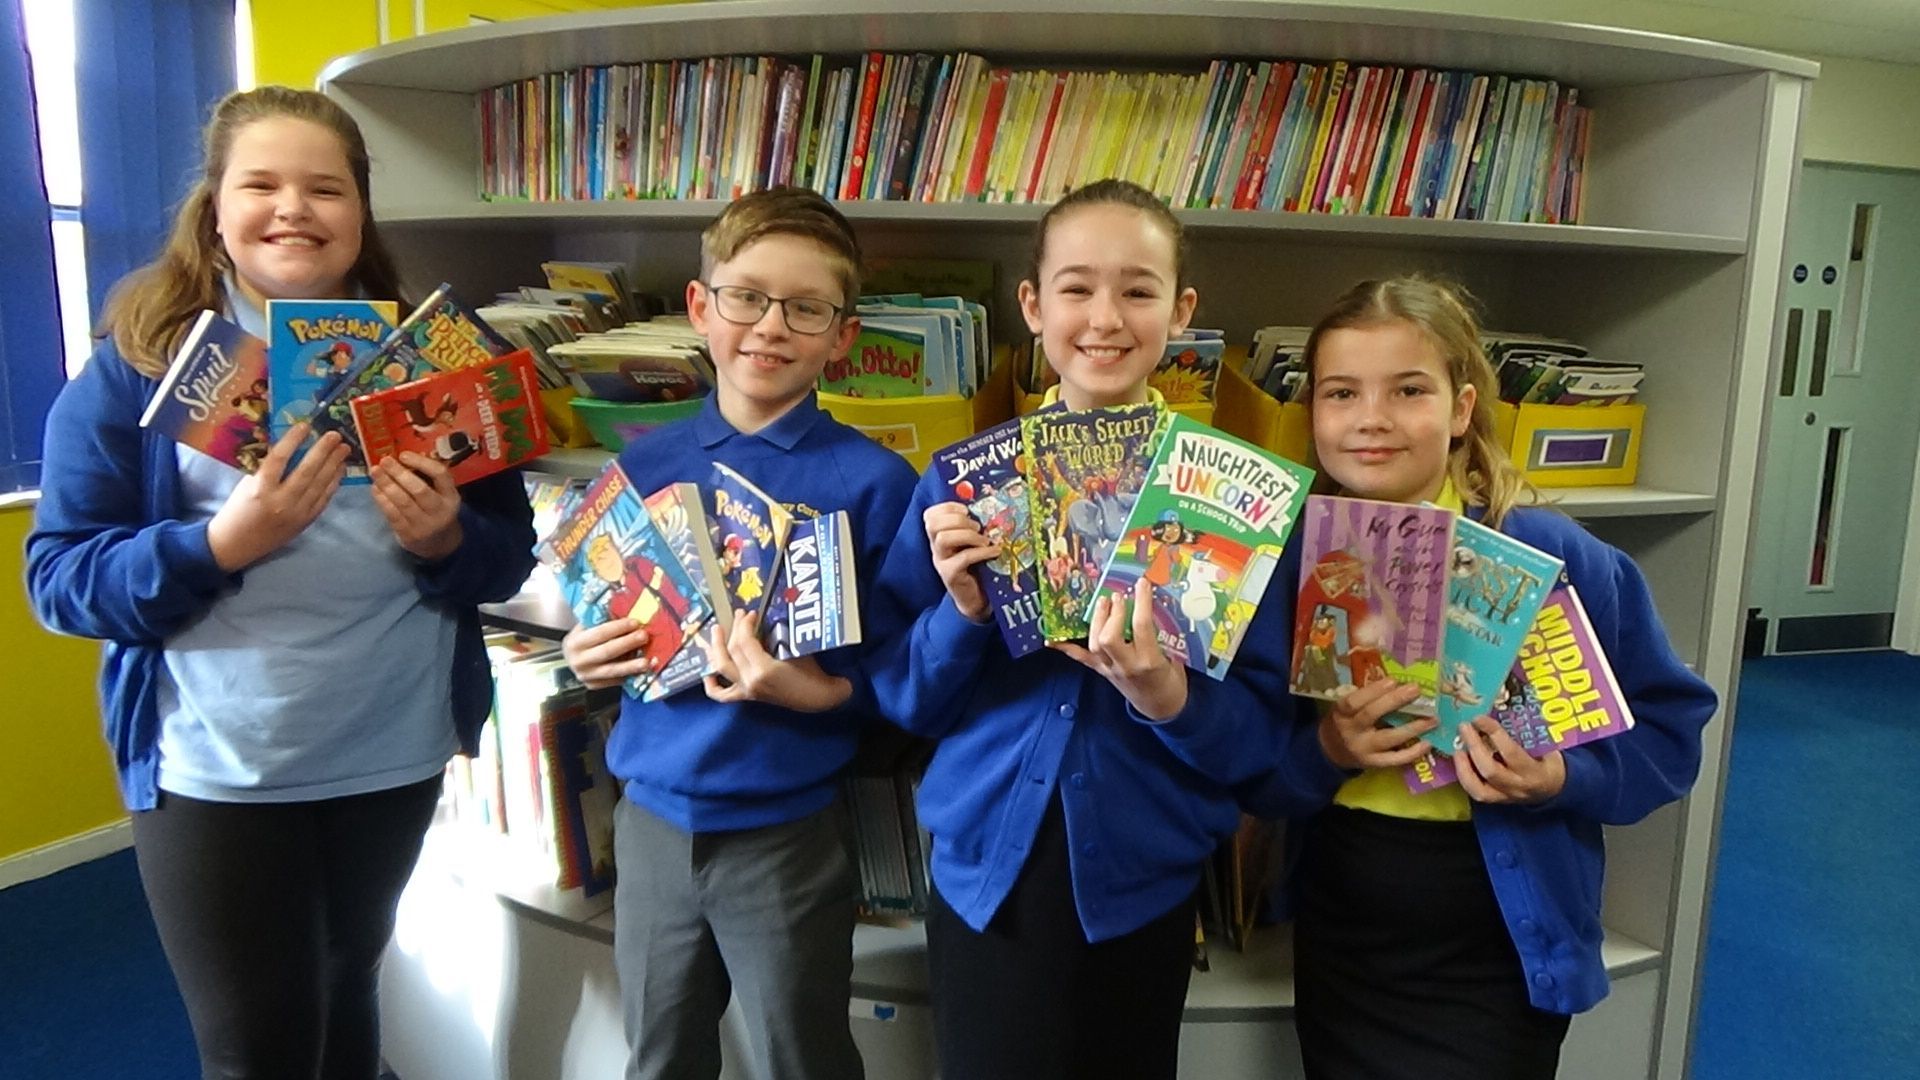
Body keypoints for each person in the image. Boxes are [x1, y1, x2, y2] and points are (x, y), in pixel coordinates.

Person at [24, 86, 536, 1079]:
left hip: (390, 749)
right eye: (260, 183)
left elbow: (505, 556)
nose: (293, 208)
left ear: (360, 215)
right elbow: (61, 579)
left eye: (325, 189)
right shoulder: (141, 364)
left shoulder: (436, 357)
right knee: (256, 1048)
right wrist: (223, 541)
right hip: (217, 765)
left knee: (350, 1000)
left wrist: (445, 541)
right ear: (215, 209)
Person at [864, 179, 1322, 1080]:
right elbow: (901, 700)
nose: (1105, 317)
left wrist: (1169, 695)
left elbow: (1260, 748)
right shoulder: (958, 480)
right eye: (1075, 288)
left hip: (1142, 887)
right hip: (984, 880)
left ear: (1181, 310)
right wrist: (963, 617)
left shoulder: (1239, 502)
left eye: (1139, 290)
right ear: (1032, 306)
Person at [1256, 275, 1719, 1079]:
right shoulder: (1293, 559)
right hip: (1347, 940)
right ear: (1314, 416)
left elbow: (1672, 735)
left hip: (1502, 948)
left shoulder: (1555, 555)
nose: (1371, 417)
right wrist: (1325, 750)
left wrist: (1560, 777)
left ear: (1462, 409)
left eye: (1408, 390)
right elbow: (1249, 774)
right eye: (1341, 393)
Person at [559, 186, 916, 1080]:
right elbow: (607, 617)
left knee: (805, 1055)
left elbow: (912, 669)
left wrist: (826, 693)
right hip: (651, 823)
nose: (769, 327)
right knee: (660, 1055)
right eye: (746, 296)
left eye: (806, 309)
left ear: (843, 335)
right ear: (700, 306)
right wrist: (583, 652)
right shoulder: (642, 466)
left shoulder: (875, 481)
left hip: (788, 829)